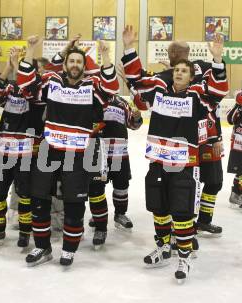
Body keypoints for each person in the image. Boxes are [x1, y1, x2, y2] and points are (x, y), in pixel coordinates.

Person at [121, 25, 228, 283]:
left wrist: (217, 59)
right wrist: (129, 47)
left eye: (184, 71)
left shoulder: (199, 95)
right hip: (158, 161)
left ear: (191, 77)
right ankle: (163, 246)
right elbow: (136, 79)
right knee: (159, 208)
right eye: (176, 70)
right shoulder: (158, 89)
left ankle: (184, 256)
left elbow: (219, 90)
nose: (179, 74)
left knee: (181, 211)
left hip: (184, 164)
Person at [17, 35, 119, 266]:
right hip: (48, 149)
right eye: (71, 61)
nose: (74, 65)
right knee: (38, 199)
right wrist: (31, 50)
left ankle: (69, 249)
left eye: (79, 62)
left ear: (84, 67)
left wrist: (105, 56)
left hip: (77, 153)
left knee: (74, 203)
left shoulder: (92, 87)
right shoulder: (52, 81)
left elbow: (112, 88)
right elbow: (25, 84)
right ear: (64, 64)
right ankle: (43, 248)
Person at [0, 47, 45, 248]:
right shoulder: (10, 89)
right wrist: (8, 67)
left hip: (26, 153)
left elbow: (29, 90)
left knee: (25, 195)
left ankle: (25, 233)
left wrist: (19, 68)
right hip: (3, 151)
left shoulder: (40, 90)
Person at [89, 94, 142, 249]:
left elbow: (133, 125)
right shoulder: (93, 97)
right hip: (97, 151)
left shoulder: (122, 102)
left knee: (122, 185)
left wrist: (137, 118)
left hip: (119, 151)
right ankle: (98, 218)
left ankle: (120, 213)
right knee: (97, 187)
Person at [227, 91, 242, 207]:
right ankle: (236, 194)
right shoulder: (237, 110)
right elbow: (229, 119)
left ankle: (237, 194)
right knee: (240, 171)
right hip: (238, 146)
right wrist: (238, 105)